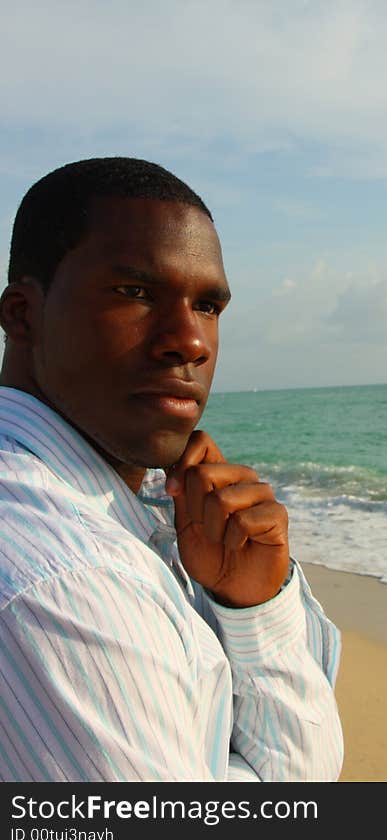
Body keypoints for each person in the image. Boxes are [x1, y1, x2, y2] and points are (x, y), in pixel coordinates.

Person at [0, 157, 343, 781]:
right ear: (24, 314)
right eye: (135, 293)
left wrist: (254, 608)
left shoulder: (133, 523)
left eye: (208, 305)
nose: (190, 340)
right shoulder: (66, 580)